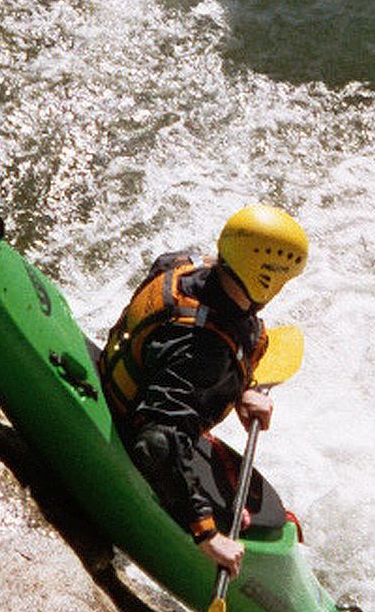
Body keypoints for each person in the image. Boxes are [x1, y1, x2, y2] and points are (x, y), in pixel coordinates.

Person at [99, 204, 307, 577]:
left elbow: (174, 347)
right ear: (265, 277)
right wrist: (207, 535)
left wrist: (240, 389)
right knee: (255, 520)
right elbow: (157, 444)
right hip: (142, 424)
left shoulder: (184, 264)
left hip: (136, 382)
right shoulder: (203, 354)